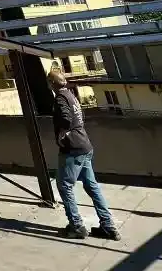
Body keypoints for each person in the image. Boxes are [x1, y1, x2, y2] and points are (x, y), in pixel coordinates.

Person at [48, 68, 120, 240]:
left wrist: (61, 134)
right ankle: (108, 226)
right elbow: (79, 116)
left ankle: (77, 226)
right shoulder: (71, 95)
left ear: (51, 84)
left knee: (65, 186)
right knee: (92, 186)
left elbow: (66, 118)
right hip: (85, 145)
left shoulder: (60, 98)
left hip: (73, 149)